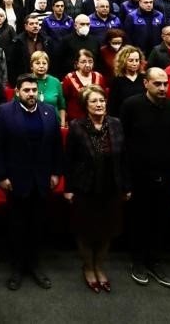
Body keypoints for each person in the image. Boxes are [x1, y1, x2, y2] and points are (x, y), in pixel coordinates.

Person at [0, 73, 62, 290]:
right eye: (27, 90)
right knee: (17, 225)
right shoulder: (4, 112)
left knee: (37, 224)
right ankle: (17, 267)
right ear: (17, 92)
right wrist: (1, 176)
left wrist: (55, 173)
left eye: (34, 90)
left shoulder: (49, 112)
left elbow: (56, 146)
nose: (31, 94)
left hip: (41, 179)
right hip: (16, 179)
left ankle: (34, 264)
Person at [121, 68, 170, 289]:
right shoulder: (131, 106)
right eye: (157, 84)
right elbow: (123, 143)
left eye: (165, 84)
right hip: (139, 175)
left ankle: (155, 261)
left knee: (162, 219)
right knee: (140, 219)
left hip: (167, 175)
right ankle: (137, 261)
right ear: (145, 83)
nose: (163, 88)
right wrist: (125, 177)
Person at [64, 84, 129, 294]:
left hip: (111, 186)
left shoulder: (116, 124)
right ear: (86, 105)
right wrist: (69, 187)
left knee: (107, 230)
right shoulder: (77, 126)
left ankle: (100, 266)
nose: (99, 104)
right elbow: (69, 160)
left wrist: (126, 185)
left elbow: (124, 159)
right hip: (85, 186)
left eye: (101, 100)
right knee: (85, 231)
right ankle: (88, 267)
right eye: (94, 101)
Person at [62, 49, 108, 123]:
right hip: (75, 120)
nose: (87, 64)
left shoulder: (99, 77)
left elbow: (104, 98)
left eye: (90, 61)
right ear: (77, 64)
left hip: (96, 119)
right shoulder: (69, 78)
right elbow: (64, 100)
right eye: (83, 62)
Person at [108, 45, 145, 117]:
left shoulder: (144, 78)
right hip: (123, 118)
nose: (134, 63)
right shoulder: (117, 81)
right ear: (123, 61)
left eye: (137, 60)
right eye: (131, 60)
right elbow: (112, 105)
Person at [29, 51, 64, 123]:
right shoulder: (25, 81)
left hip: (54, 123)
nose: (41, 66)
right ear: (31, 66)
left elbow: (61, 106)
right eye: (37, 63)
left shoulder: (55, 82)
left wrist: (62, 124)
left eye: (44, 63)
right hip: (31, 122)